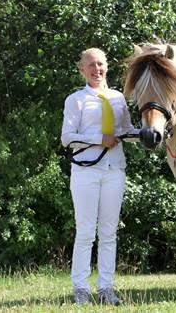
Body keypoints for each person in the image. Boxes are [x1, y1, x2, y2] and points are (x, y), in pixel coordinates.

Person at [61, 48, 135, 305]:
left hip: (114, 170)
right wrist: (98, 140)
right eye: (91, 65)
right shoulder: (76, 100)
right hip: (85, 172)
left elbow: (125, 131)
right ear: (82, 69)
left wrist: (151, 134)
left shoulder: (117, 98)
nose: (97, 69)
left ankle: (106, 289)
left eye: (100, 64)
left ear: (107, 67)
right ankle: (80, 289)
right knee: (85, 232)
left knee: (109, 233)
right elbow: (67, 137)